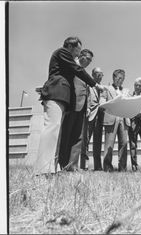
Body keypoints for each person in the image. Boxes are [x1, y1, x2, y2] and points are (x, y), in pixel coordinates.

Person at [33, 37, 102, 175]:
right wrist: (95, 84)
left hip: (62, 97)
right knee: (52, 128)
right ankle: (42, 169)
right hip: (56, 94)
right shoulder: (62, 52)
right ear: (71, 46)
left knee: (56, 130)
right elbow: (77, 70)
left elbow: (59, 73)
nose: (78, 53)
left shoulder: (64, 60)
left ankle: (51, 167)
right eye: (78, 50)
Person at [58, 49, 95, 171]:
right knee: (66, 135)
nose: (89, 62)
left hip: (83, 107)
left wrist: (88, 107)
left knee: (78, 138)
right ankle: (62, 164)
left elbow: (87, 91)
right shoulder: (72, 67)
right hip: (72, 105)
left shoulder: (84, 72)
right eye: (88, 59)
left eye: (91, 60)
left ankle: (73, 166)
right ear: (81, 56)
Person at [102, 69, 130, 172]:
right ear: (113, 78)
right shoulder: (107, 89)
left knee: (124, 144)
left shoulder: (126, 91)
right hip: (111, 118)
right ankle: (107, 167)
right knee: (109, 144)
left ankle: (122, 167)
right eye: (119, 78)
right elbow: (102, 102)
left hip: (124, 119)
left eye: (122, 79)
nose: (120, 80)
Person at [81, 67, 104, 171]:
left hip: (99, 117)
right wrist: (87, 109)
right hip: (89, 116)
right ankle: (84, 166)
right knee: (85, 141)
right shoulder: (88, 84)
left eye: (101, 75)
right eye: (98, 74)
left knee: (98, 142)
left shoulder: (102, 88)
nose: (100, 77)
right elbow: (85, 97)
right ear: (93, 74)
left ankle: (98, 166)